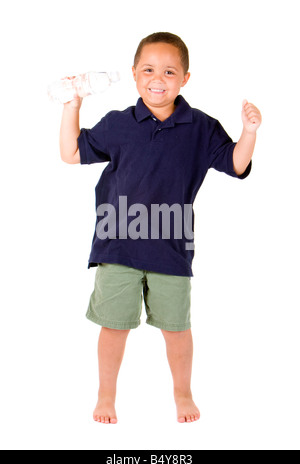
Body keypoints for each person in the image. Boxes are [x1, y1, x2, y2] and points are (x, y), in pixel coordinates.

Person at [59, 32, 262, 424]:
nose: (158, 78)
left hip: (171, 248)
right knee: (114, 328)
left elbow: (236, 164)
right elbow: (70, 153)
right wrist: (73, 105)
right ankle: (105, 396)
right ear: (135, 74)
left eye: (170, 71)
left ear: (185, 78)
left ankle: (183, 393)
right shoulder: (119, 124)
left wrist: (249, 133)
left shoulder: (201, 127)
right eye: (149, 70)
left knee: (177, 330)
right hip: (117, 245)